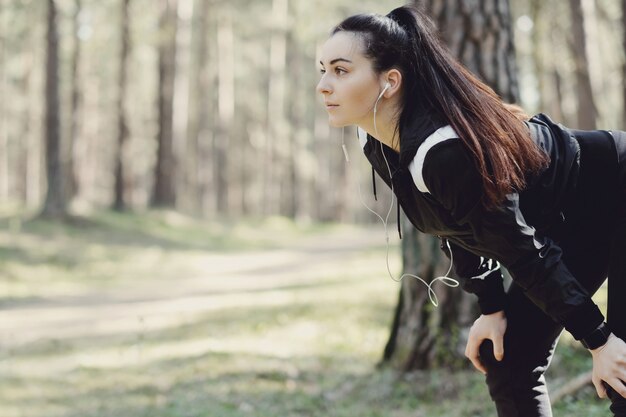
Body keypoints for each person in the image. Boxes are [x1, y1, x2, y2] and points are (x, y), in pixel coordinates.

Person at [316, 5, 626, 417]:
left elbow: (523, 251)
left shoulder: (445, 151)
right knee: (509, 363)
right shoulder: (377, 139)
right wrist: (492, 308)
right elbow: (458, 226)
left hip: (615, 184)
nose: (322, 85)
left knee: (621, 372)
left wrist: (599, 340)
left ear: (389, 82)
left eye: (340, 70)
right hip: (571, 220)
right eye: (322, 69)